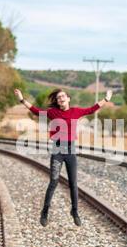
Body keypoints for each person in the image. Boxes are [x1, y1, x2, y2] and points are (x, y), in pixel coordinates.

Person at [14, 88, 112, 226]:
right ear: (58, 102)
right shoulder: (53, 113)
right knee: (53, 182)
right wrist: (22, 100)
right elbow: (36, 111)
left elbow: (92, 109)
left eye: (63, 96)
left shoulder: (76, 111)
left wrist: (106, 99)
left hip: (70, 150)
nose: (61, 98)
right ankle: (45, 211)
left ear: (68, 99)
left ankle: (75, 211)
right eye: (58, 97)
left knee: (73, 183)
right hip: (57, 150)